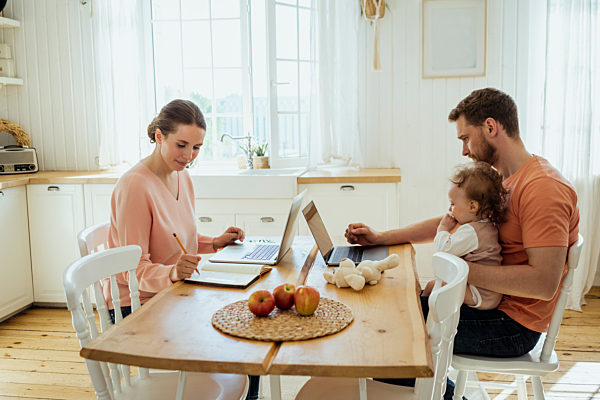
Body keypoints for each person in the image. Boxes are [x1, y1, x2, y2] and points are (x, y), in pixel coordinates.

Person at [345, 88, 579, 399]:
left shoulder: (542, 188)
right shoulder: (504, 180)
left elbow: (544, 284)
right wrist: (382, 237)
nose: (464, 151)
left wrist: (459, 270)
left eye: (466, 138)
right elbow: (452, 221)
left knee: (391, 338)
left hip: (512, 327)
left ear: (491, 128)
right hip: (491, 305)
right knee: (393, 316)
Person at [422, 162, 507, 310]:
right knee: (434, 287)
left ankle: (420, 313)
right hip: (490, 293)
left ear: (473, 206)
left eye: (453, 203)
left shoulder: (472, 232)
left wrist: (443, 228)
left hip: (480, 293)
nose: (450, 209)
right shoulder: (486, 226)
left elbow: (444, 249)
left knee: (432, 286)